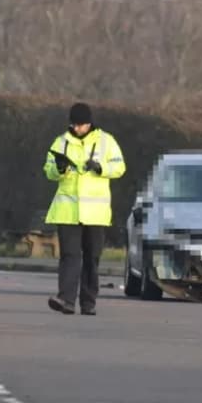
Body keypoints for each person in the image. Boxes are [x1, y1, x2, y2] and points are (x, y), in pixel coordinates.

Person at [43, 102, 126, 316]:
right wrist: (59, 169)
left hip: (95, 213)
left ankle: (88, 303)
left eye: (82, 125)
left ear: (89, 123)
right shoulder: (61, 142)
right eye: (75, 125)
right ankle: (66, 300)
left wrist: (100, 168)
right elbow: (49, 170)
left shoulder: (106, 142)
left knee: (91, 257)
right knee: (69, 256)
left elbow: (120, 167)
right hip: (68, 211)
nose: (78, 129)